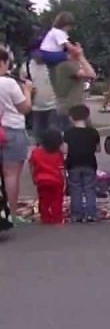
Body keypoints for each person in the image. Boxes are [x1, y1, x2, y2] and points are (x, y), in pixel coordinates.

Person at [1, 47, 34, 221]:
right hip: (11, 130)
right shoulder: (8, 83)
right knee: (11, 175)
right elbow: (24, 108)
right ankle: (10, 216)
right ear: (3, 62)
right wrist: (27, 91)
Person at [63, 104, 100, 222]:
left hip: (73, 164)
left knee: (75, 189)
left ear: (71, 117)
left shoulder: (68, 133)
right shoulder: (93, 132)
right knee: (90, 189)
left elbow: (65, 149)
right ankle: (91, 214)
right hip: (89, 163)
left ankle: (77, 214)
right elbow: (98, 149)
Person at [51, 44, 96, 131]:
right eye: (77, 47)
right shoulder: (68, 65)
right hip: (73, 110)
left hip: (66, 108)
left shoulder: (61, 64)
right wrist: (81, 56)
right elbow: (92, 74)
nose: (81, 48)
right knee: (85, 138)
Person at [29, 129, 65, 225]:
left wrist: (33, 177)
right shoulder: (58, 154)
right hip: (56, 181)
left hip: (41, 180)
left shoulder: (35, 152)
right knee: (57, 200)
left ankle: (45, 217)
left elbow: (32, 166)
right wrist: (64, 180)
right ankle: (57, 218)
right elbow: (61, 169)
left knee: (43, 200)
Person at [24, 43, 57, 136]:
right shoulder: (26, 67)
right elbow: (23, 86)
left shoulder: (53, 65)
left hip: (53, 107)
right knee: (38, 136)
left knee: (53, 136)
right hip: (36, 108)